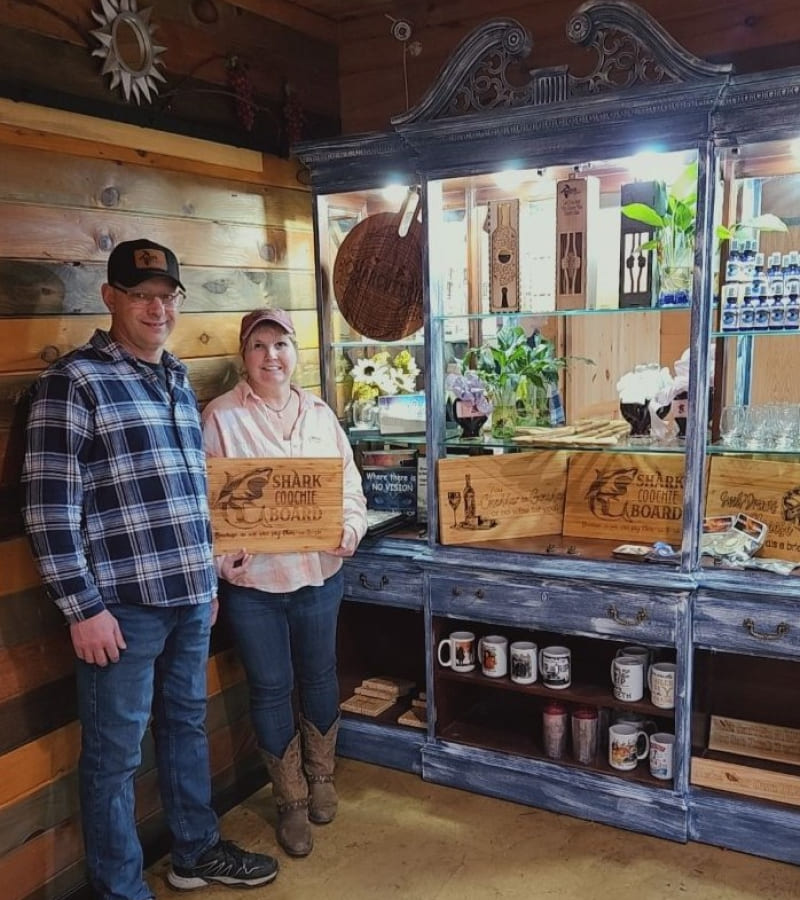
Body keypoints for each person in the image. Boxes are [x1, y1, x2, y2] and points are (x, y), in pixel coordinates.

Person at [21, 239, 279, 899]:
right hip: (121, 610)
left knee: (185, 728)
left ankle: (193, 852)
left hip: (190, 597)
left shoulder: (174, 375)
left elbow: (187, 490)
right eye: (142, 296)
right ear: (110, 298)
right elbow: (49, 509)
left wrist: (208, 571)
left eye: (167, 296)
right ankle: (121, 889)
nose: (157, 308)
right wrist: (82, 608)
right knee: (113, 760)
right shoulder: (73, 382)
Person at [201, 307, 367, 858]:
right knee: (271, 687)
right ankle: (290, 797)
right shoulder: (221, 417)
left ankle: (322, 776)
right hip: (255, 586)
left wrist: (350, 526)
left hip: (319, 574)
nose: (271, 356)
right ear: (243, 356)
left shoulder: (320, 413)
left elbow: (349, 487)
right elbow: (209, 504)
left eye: (281, 345)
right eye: (259, 346)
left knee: (320, 676)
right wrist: (226, 558)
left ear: (295, 352)